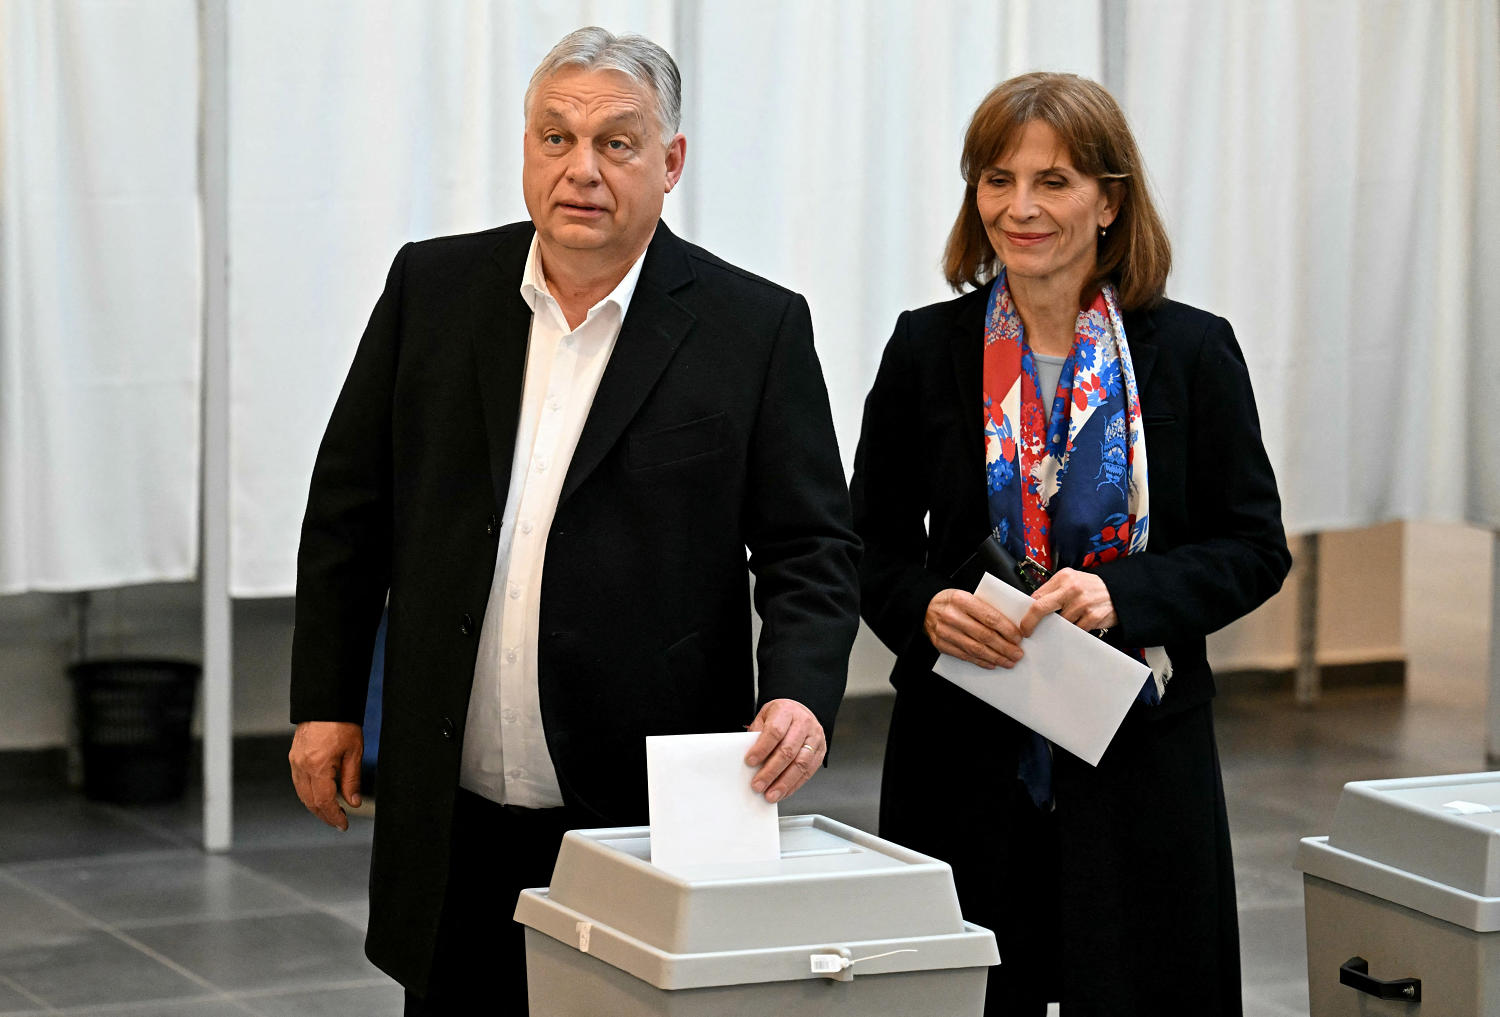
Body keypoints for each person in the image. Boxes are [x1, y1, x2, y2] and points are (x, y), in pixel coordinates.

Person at [287, 27, 859, 1015]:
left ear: (670, 161)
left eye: (616, 143)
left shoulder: (753, 327)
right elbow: (349, 510)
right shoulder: (434, 289)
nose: (581, 169)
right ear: (526, 148)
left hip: (640, 802)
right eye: (555, 137)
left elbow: (811, 546)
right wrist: (326, 700)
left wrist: (800, 695)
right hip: (452, 795)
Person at [850, 72, 1291, 1016]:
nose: (1021, 207)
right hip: (963, 755)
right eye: (998, 180)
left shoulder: (1191, 351)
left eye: (1053, 181)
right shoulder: (926, 348)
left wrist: (1122, 594)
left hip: (1139, 759)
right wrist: (924, 609)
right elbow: (863, 544)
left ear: (1109, 200)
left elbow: (1255, 547)